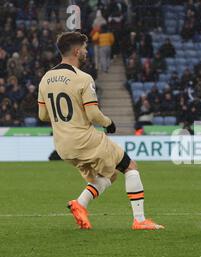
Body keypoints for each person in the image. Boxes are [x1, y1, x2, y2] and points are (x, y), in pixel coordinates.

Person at [37, 32, 163, 230]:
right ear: (77, 51)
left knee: (109, 175)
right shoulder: (83, 78)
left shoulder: (45, 79)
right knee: (130, 166)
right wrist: (109, 122)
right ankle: (139, 220)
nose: (87, 52)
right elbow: (94, 114)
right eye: (85, 48)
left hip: (63, 145)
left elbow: (43, 115)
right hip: (84, 139)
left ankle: (80, 204)